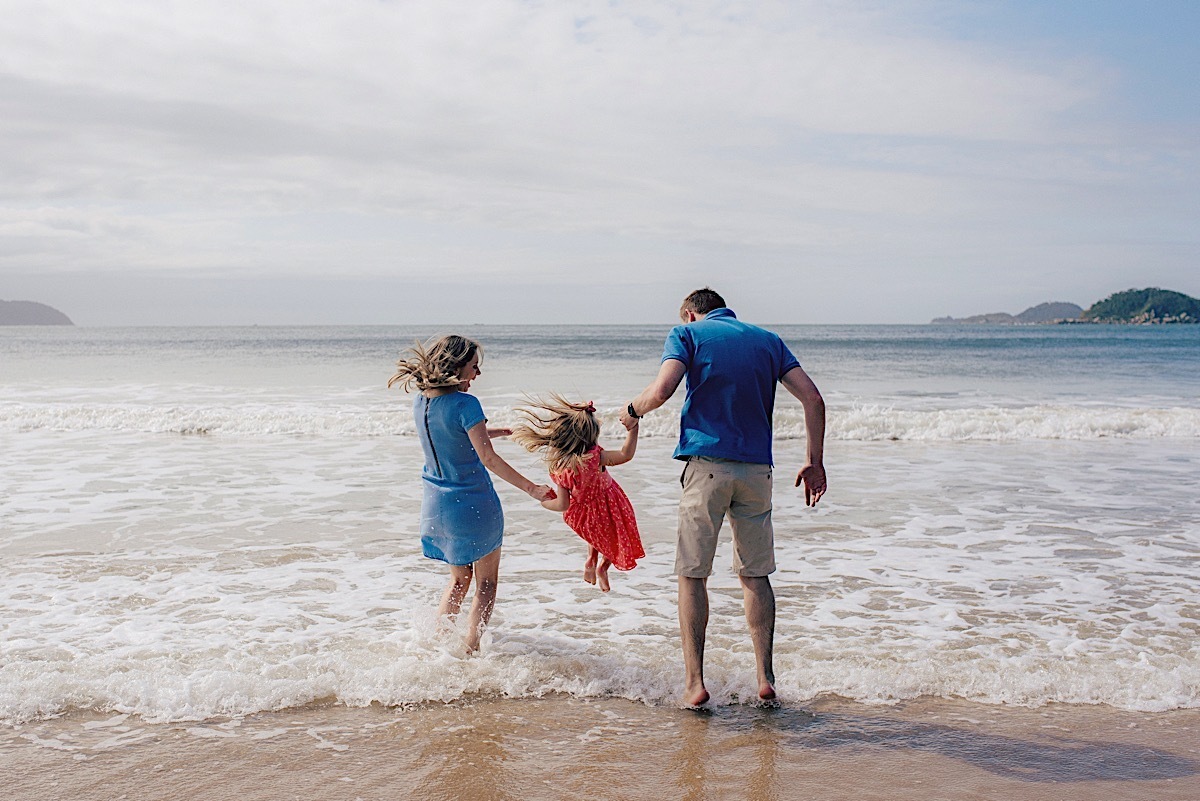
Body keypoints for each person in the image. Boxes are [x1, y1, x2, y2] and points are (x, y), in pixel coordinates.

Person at [619, 288, 826, 706]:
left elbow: (662, 390)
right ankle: (765, 678)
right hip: (756, 471)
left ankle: (695, 684)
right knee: (755, 574)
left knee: (693, 575)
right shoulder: (768, 340)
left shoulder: (686, 333)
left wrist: (631, 411)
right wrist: (814, 461)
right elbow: (813, 398)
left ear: (689, 313)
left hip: (706, 466)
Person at [389, 335, 556, 652]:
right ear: (456, 367)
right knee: (487, 583)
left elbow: (447, 434)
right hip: (473, 505)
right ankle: (470, 650)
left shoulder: (422, 402)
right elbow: (487, 458)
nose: (477, 375)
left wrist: (494, 431)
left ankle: (437, 644)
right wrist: (533, 489)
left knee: (458, 580)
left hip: (437, 506)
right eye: (474, 367)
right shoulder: (466, 404)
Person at [511, 394, 645, 592]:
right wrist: (633, 428)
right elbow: (626, 454)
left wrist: (544, 502)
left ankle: (591, 560)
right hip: (609, 504)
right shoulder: (596, 457)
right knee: (613, 538)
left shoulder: (559, 468)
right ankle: (602, 568)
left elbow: (562, 504)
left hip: (585, 514)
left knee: (596, 536)